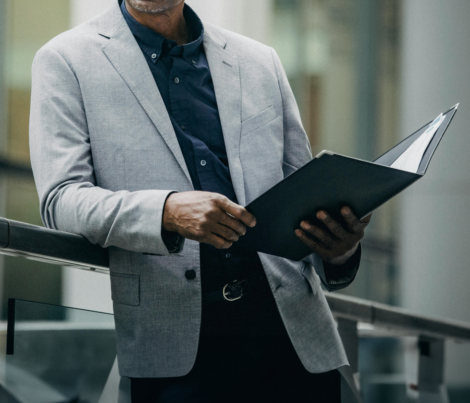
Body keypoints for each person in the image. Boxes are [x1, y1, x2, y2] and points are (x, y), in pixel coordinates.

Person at [29, 0, 371, 401]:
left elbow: (301, 193)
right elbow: (61, 198)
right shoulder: (64, 60)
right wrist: (166, 211)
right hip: (175, 349)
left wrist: (339, 251)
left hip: (295, 340)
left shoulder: (261, 61)